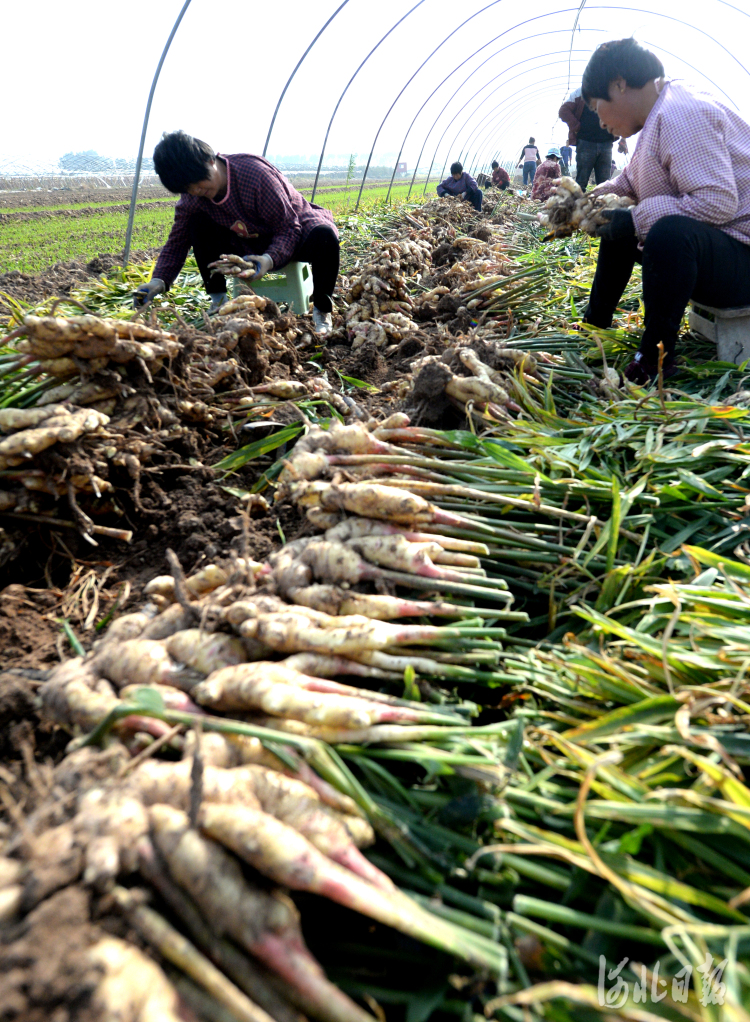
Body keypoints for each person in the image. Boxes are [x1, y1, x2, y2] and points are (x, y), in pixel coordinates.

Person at [579, 38, 750, 384]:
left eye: (597, 108)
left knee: (666, 233)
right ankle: (594, 326)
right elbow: (628, 181)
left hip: (743, 259)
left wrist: (637, 219)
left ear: (619, 84)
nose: (599, 122)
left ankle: (656, 357)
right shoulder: (657, 115)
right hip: (720, 253)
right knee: (619, 222)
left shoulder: (680, 114)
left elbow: (717, 201)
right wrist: (587, 204)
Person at [133, 130, 340, 335]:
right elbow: (177, 242)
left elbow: (287, 228)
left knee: (325, 237)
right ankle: (219, 301)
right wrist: (158, 281)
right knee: (195, 224)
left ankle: (322, 311)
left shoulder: (255, 175)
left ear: (210, 160)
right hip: (247, 241)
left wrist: (268, 259)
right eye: (188, 188)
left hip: (294, 230)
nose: (196, 191)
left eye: (197, 182)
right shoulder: (193, 198)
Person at [559, 88, 628, 191]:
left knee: (604, 184)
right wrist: (577, 126)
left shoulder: (610, 93)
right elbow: (563, 111)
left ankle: (603, 206)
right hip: (586, 142)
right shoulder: (580, 93)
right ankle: (576, 205)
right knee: (581, 182)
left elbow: (623, 113)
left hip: (606, 143)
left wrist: (623, 137)